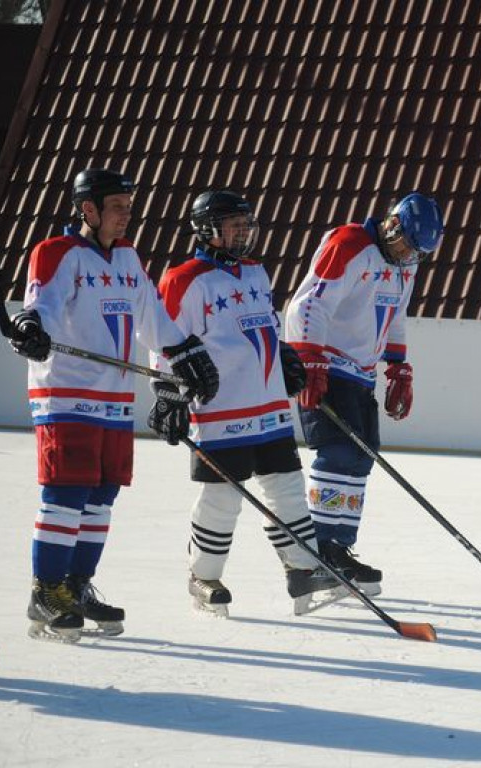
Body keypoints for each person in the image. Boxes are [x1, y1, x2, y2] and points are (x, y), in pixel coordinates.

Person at [6, 168, 219, 642]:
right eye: (118, 206)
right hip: (67, 393)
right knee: (67, 492)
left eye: (128, 205)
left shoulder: (126, 257)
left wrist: (184, 352)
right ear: (88, 209)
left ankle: (77, 586)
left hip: (114, 396)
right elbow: (39, 303)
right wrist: (31, 328)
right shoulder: (57, 253)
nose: (126, 215)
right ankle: (47, 591)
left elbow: (153, 319)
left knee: (103, 495)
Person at [148, 190, 340, 616]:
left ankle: (302, 570)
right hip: (221, 408)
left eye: (245, 224)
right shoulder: (184, 278)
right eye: (233, 225)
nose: (243, 232)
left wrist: (286, 355)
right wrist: (168, 394)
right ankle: (204, 575)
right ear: (206, 229)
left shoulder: (255, 273)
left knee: (288, 487)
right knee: (223, 496)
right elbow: (163, 340)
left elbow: (266, 325)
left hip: (268, 404)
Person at [284, 192, 444, 596]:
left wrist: (398, 367)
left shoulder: (406, 263)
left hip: (360, 372)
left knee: (361, 455)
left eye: (418, 251)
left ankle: (338, 547)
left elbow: (394, 314)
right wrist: (310, 362)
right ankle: (315, 551)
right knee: (337, 452)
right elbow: (307, 306)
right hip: (326, 362)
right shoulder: (350, 244)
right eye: (406, 242)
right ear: (391, 225)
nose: (409, 254)